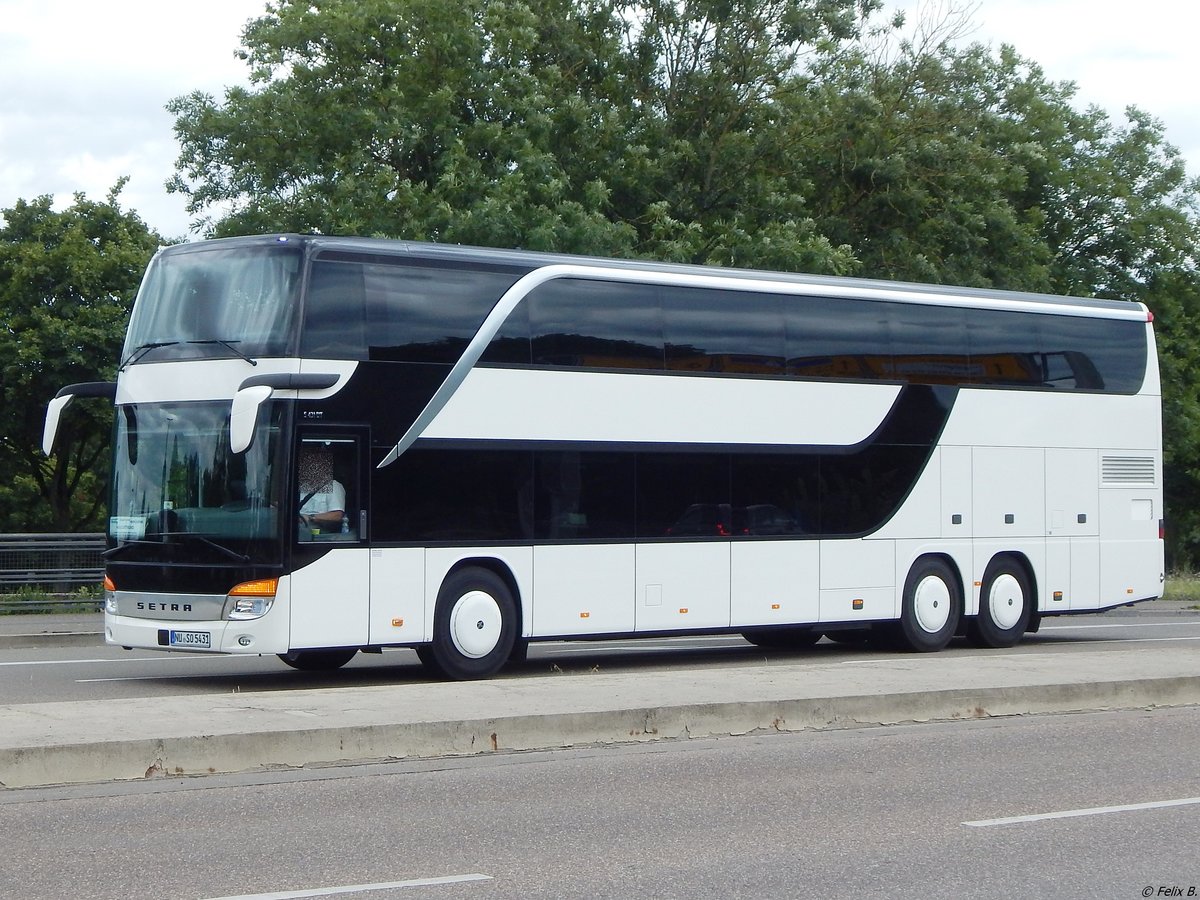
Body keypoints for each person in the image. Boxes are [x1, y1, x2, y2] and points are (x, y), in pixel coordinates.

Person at [298, 447, 346, 533]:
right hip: (298, 533)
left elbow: (337, 515)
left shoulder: (334, 485)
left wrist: (311, 518)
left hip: (320, 535)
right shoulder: (301, 486)